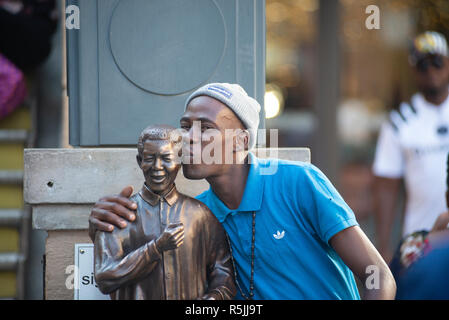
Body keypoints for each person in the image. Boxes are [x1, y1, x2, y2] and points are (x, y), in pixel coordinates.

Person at [89, 83, 396, 300]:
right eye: (185, 126)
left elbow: (378, 276)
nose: (188, 138)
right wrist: (107, 226)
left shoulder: (298, 182)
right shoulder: (195, 215)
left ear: (240, 142)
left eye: (205, 128)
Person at [94, 125, 236, 300]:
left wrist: (213, 298)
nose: (157, 167)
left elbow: (224, 273)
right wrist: (155, 248)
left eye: (166, 158)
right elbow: (104, 278)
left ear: (179, 160)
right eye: (149, 158)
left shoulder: (201, 215)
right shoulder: (120, 215)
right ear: (140, 161)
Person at [373, 31, 449, 261]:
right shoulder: (399, 122)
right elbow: (386, 187)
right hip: (419, 246)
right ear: (413, 71)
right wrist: (383, 249)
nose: (431, 70)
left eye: (437, 61)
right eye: (423, 64)